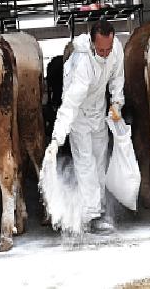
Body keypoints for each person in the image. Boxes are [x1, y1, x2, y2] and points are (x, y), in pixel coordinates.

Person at [45, 19, 124, 233]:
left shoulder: (115, 49)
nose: (106, 53)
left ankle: (100, 207)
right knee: (85, 164)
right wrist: (57, 137)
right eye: (101, 50)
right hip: (78, 116)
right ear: (91, 43)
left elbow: (117, 77)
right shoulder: (82, 64)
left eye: (108, 48)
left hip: (98, 112)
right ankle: (91, 215)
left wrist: (117, 101)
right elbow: (69, 104)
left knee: (100, 161)